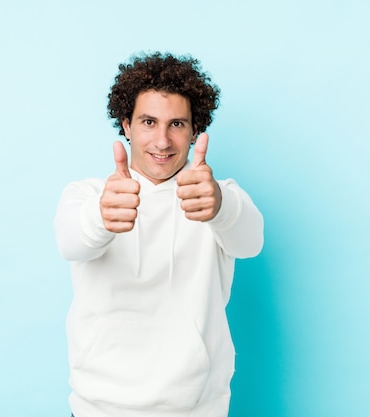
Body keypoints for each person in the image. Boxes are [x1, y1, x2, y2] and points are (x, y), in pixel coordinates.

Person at [54, 51, 264, 417]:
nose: (162, 141)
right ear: (126, 125)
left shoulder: (216, 195)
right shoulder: (88, 195)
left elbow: (251, 242)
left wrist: (220, 206)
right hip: (98, 408)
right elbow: (71, 241)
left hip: (197, 408)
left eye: (177, 124)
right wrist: (100, 217)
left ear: (196, 130)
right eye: (149, 122)